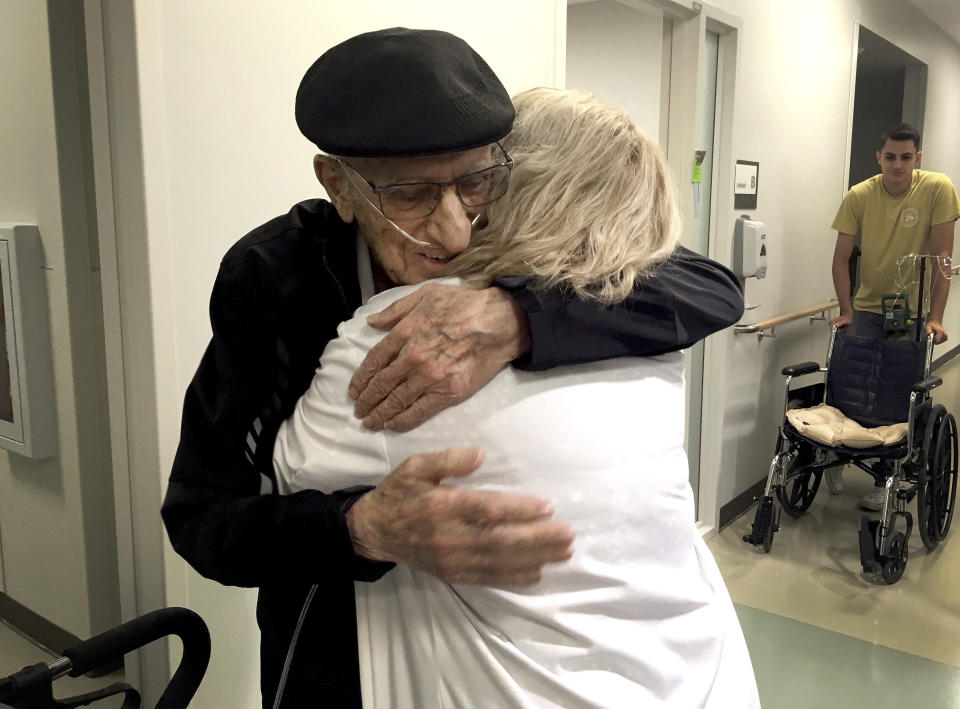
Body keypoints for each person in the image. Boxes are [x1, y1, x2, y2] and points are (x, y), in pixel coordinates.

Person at [162, 28, 745, 707]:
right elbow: (203, 518)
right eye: (410, 196)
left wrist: (517, 317)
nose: (456, 231)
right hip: (332, 638)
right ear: (338, 186)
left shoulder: (517, 243)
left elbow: (711, 285)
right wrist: (362, 528)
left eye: (474, 182)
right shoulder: (273, 280)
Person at [827, 122, 960, 507]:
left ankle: (886, 475)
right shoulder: (860, 195)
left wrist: (935, 317)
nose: (897, 165)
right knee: (851, 384)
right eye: (890, 157)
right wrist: (846, 309)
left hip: (911, 311)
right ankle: (841, 453)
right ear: (878, 157)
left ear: (917, 157)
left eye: (906, 157)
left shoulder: (937, 189)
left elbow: (941, 261)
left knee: (897, 394)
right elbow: (840, 258)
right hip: (868, 307)